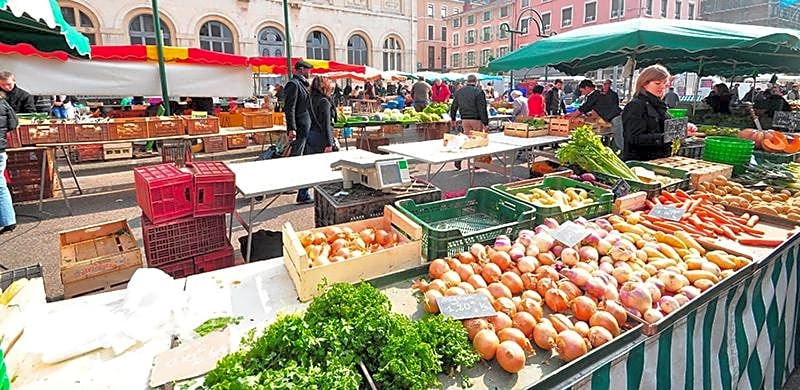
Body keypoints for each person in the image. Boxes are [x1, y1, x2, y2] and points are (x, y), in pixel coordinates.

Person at [621, 65, 672, 161]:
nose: (662, 87)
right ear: (644, 83)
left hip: (660, 161)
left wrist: (683, 127)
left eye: (665, 83)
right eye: (657, 83)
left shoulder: (659, 105)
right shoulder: (635, 106)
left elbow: (667, 124)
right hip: (641, 163)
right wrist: (666, 137)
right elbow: (633, 138)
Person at [284, 60, 315, 204]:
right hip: (299, 127)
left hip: (305, 126)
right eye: (308, 70)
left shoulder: (303, 84)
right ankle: (289, 184)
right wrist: (292, 128)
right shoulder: (293, 84)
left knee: (302, 157)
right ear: (301, 69)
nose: (310, 73)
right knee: (296, 157)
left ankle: (298, 186)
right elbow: (289, 108)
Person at [570, 79, 624, 149]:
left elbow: (584, 108)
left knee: (620, 143)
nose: (582, 93)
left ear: (587, 88)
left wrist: (571, 117)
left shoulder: (594, 95)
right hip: (615, 118)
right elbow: (594, 110)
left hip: (617, 119)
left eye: (582, 91)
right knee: (617, 142)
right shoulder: (598, 94)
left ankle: (626, 158)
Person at [449, 74, 489, 170]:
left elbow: (454, 106)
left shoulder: (459, 91)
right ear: (476, 81)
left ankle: (459, 159)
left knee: (466, 140)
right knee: (476, 141)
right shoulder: (479, 91)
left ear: (467, 81)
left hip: (465, 119)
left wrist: (453, 118)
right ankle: (476, 163)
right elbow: (482, 108)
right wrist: (485, 123)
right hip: (476, 119)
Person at [0, 92, 17, 234]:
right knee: (0, 185)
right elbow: (13, 124)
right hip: (1, 148)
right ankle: (8, 220)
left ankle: (8, 220)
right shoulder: (3, 103)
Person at [307, 76, 338, 154]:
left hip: (310, 135)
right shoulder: (324, 101)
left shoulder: (310, 100)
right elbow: (326, 124)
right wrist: (329, 143)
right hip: (321, 137)